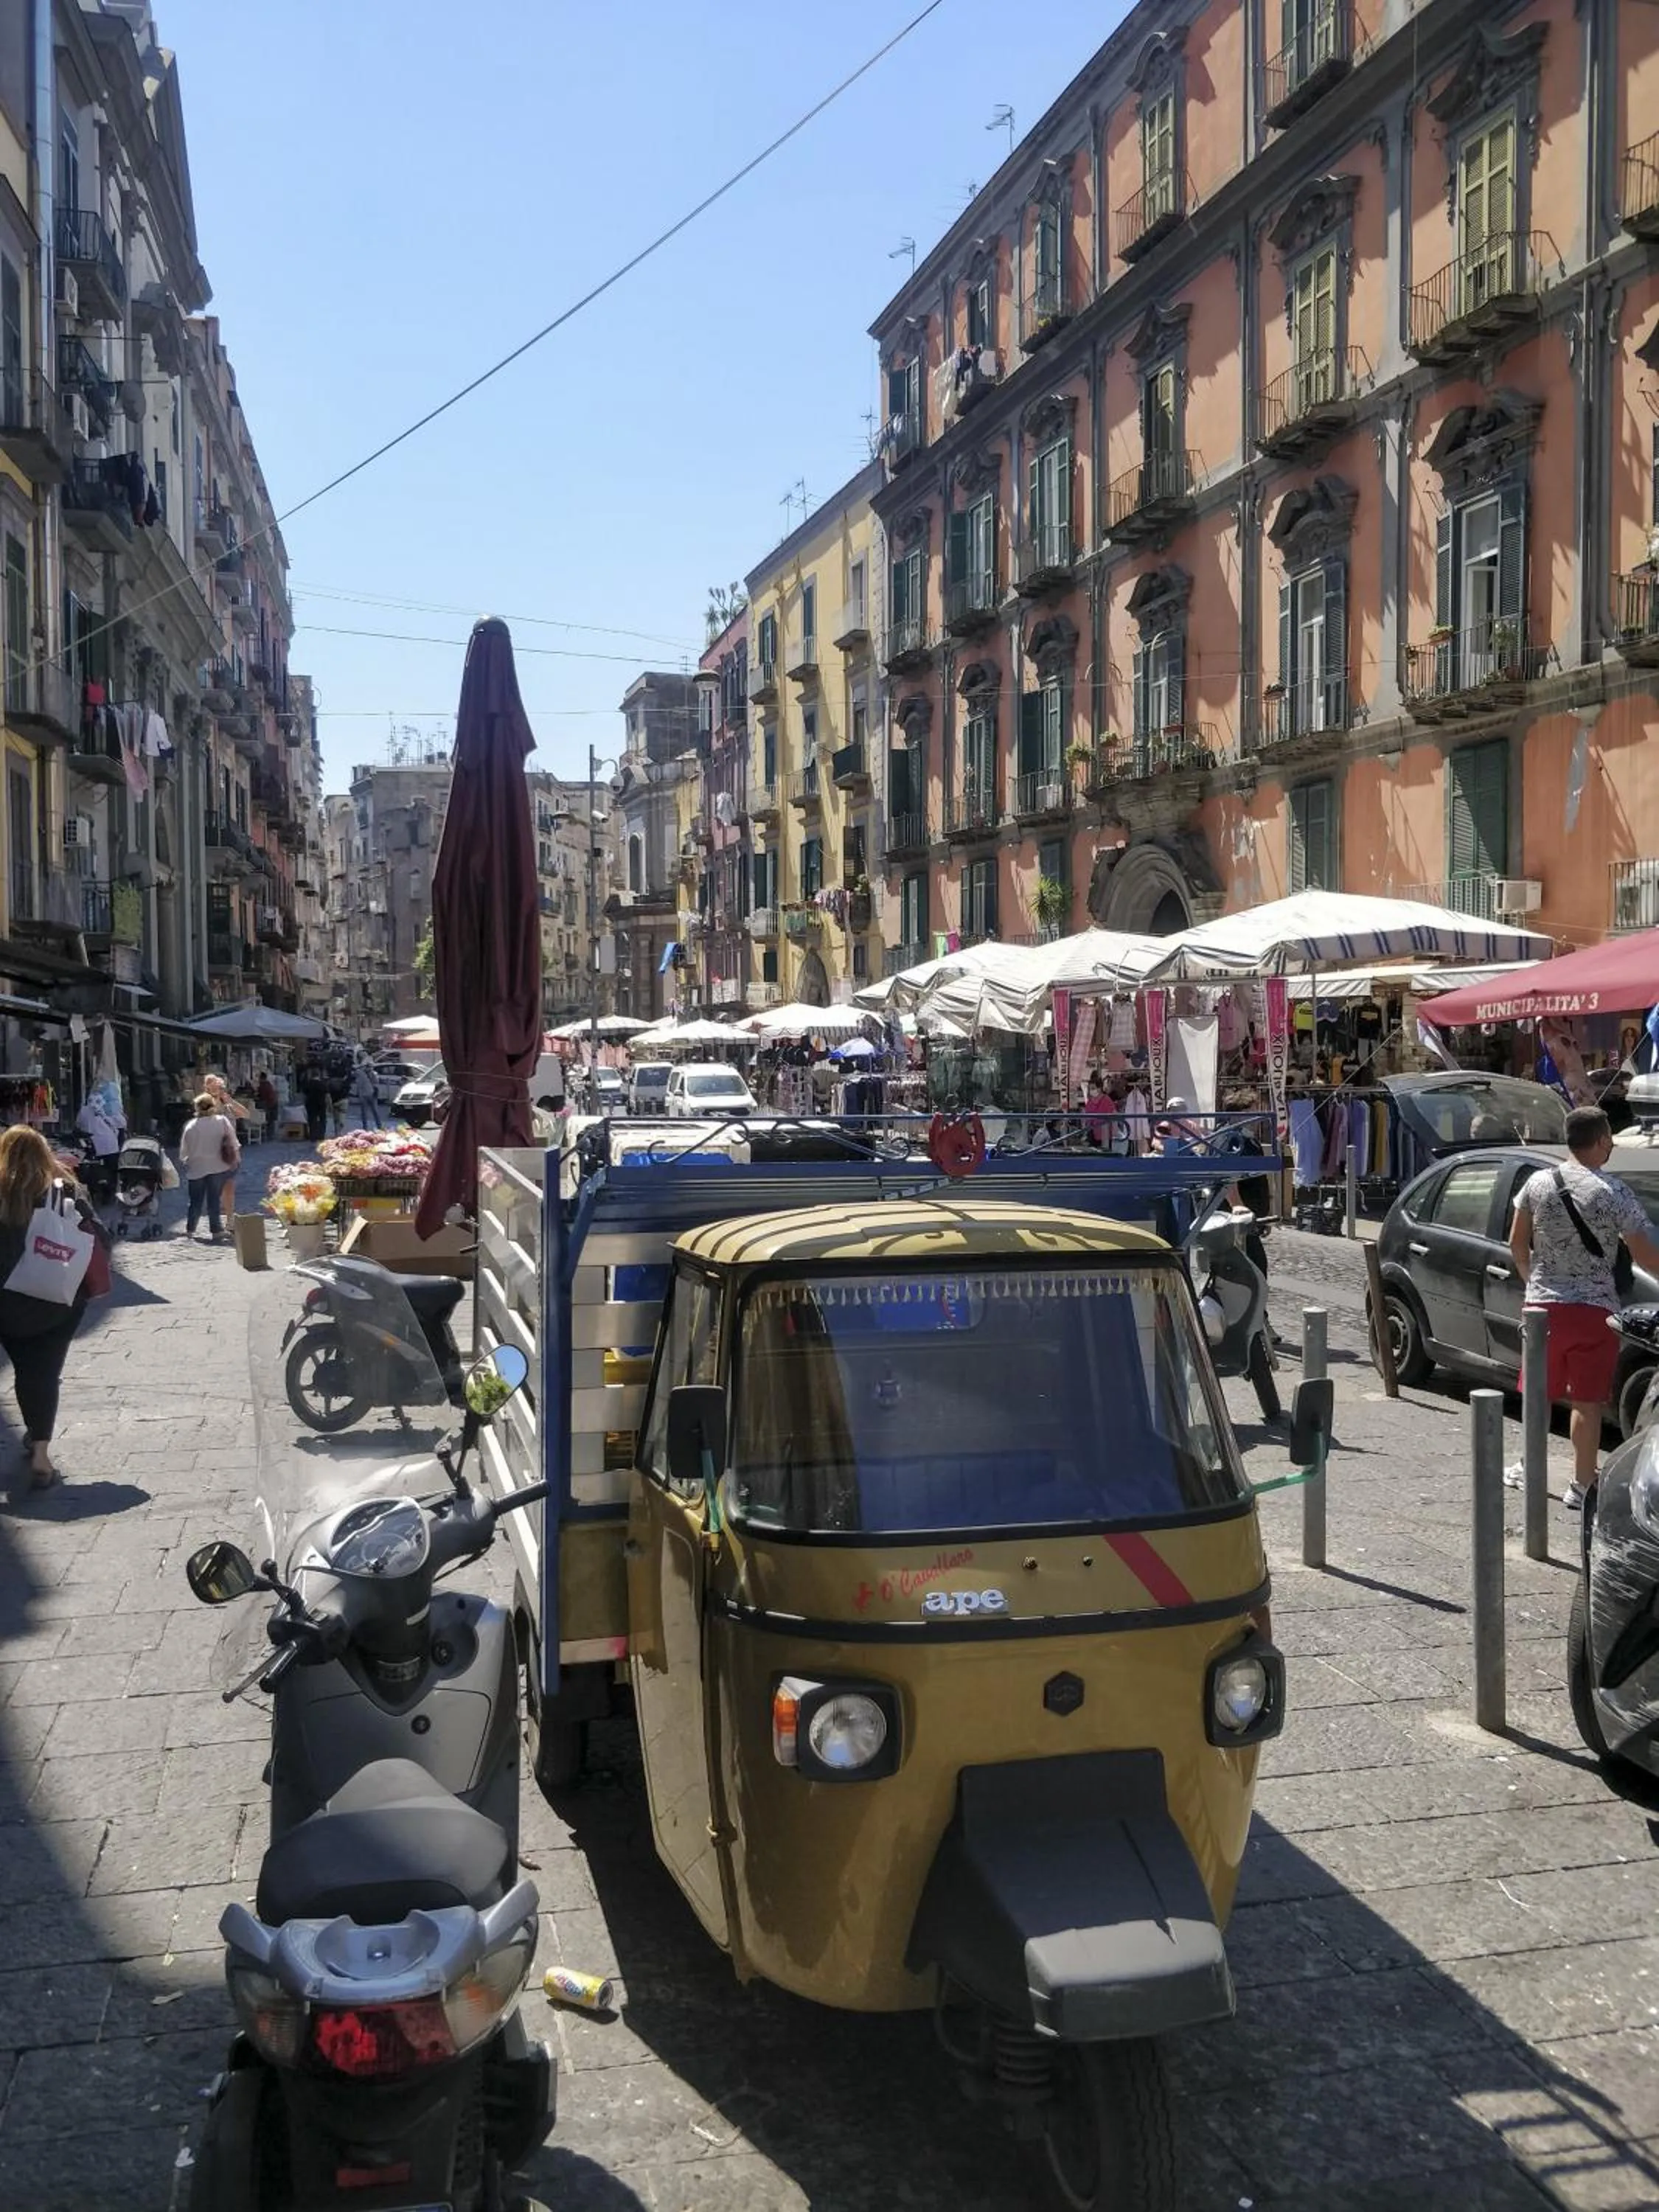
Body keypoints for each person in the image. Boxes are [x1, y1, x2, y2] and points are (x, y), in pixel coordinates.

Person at [1509, 1105, 1659, 1509]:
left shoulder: (1536, 1184)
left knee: (1539, 1395)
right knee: (1587, 1403)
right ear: (1598, 1141)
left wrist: (1533, 1285)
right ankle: (1580, 1484)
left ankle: (1528, 1468)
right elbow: (1646, 1257)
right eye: (1609, 1138)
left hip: (1543, 1309)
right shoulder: (1614, 1193)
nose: (1611, 1146)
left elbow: (1517, 1243)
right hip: (1594, 1311)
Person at [0, 1127, 100, 1486]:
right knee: (41, 1372)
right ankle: (40, 1452)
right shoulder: (65, 1191)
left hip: (6, 1301)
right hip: (56, 1301)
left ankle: (32, 1432)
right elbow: (99, 1238)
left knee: (27, 1367)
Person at [179, 1091, 240, 1243]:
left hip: (197, 1168)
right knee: (214, 1199)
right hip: (218, 1166)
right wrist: (236, 1159)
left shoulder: (191, 1126)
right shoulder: (222, 1121)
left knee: (195, 1201)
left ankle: (190, 1229)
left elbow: (184, 1152)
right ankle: (216, 1230)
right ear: (213, 1106)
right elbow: (233, 1142)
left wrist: (187, 1160)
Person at [300, 1059, 329, 1144]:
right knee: (323, 1119)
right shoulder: (323, 1084)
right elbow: (327, 1095)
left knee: (312, 1120)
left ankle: (313, 1136)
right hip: (321, 1104)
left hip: (310, 1104)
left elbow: (304, 1094)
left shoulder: (308, 1084)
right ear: (319, 1075)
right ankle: (321, 1135)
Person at [351, 1056, 382, 1128]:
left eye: (370, 1067)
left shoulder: (372, 1074)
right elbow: (353, 1071)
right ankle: (368, 1126)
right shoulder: (361, 1073)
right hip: (366, 1095)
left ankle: (377, 1126)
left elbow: (376, 1082)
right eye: (369, 1067)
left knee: (373, 1112)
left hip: (369, 1095)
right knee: (366, 1112)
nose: (370, 1069)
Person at [255, 1071, 279, 1144]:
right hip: (273, 1103)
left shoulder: (263, 1085)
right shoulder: (268, 1084)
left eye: (259, 1078)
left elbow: (261, 1096)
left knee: (268, 1119)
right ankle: (271, 1135)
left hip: (269, 1104)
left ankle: (269, 1135)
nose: (258, 1079)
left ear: (261, 1078)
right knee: (271, 1120)